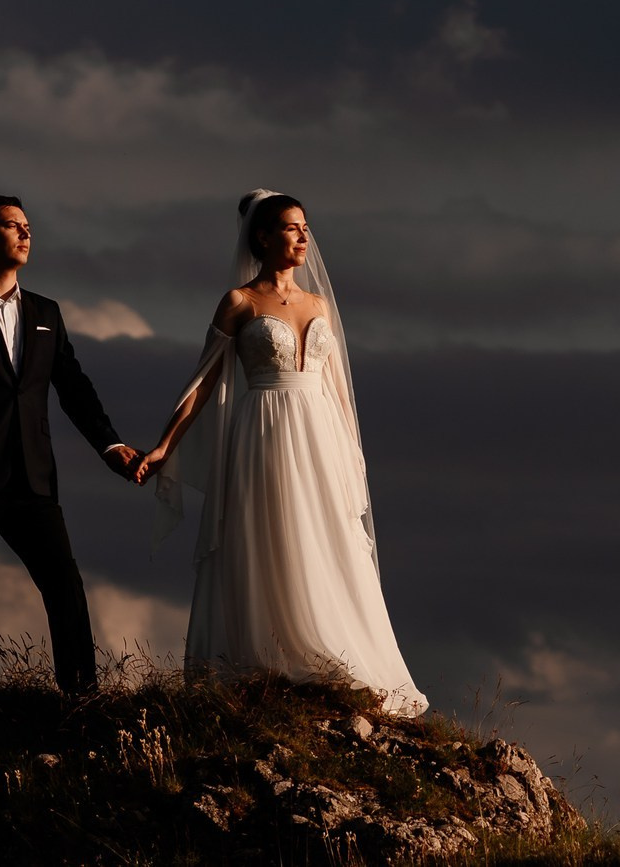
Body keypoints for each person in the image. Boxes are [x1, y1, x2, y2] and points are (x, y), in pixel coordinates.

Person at [137, 190, 427, 714]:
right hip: (263, 431)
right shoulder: (239, 302)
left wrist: (350, 455)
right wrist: (163, 446)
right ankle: (267, 658)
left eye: (306, 228)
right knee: (270, 532)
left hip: (319, 434)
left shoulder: (319, 306)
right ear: (264, 236)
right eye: (292, 228)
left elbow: (337, 388)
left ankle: (334, 653)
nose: (303, 237)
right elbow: (203, 382)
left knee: (325, 534)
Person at [0, 195, 141, 711]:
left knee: (65, 585)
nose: (25, 234)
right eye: (13, 225)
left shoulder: (46, 312)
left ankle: (83, 698)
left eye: (29, 226)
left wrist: (110, 443)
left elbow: (73, 387)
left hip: (34, 479)